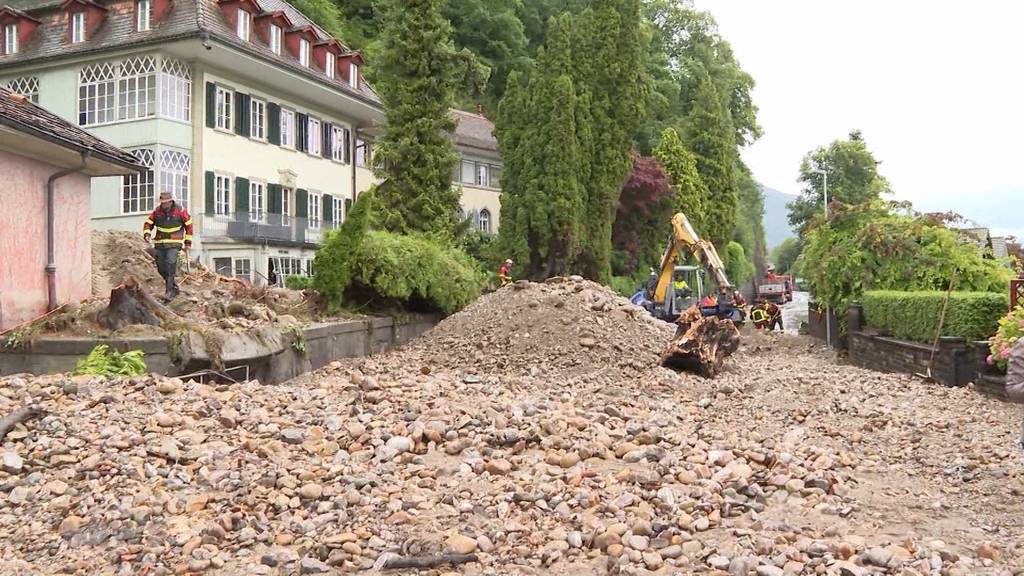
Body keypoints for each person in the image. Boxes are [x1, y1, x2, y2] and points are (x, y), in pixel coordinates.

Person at [143, 191, 193, 300]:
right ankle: (174, 288)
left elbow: (189, 226)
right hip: (160, 243)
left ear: (171, 202)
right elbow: (148, 223)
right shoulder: (157, 211)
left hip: (175, 243)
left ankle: (169, 292)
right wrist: (147, 234)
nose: (164, 205)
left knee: (170, 264)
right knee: (161, 268)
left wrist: (187, 243)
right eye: (162, 203)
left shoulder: (180, 211)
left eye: (166, 203)